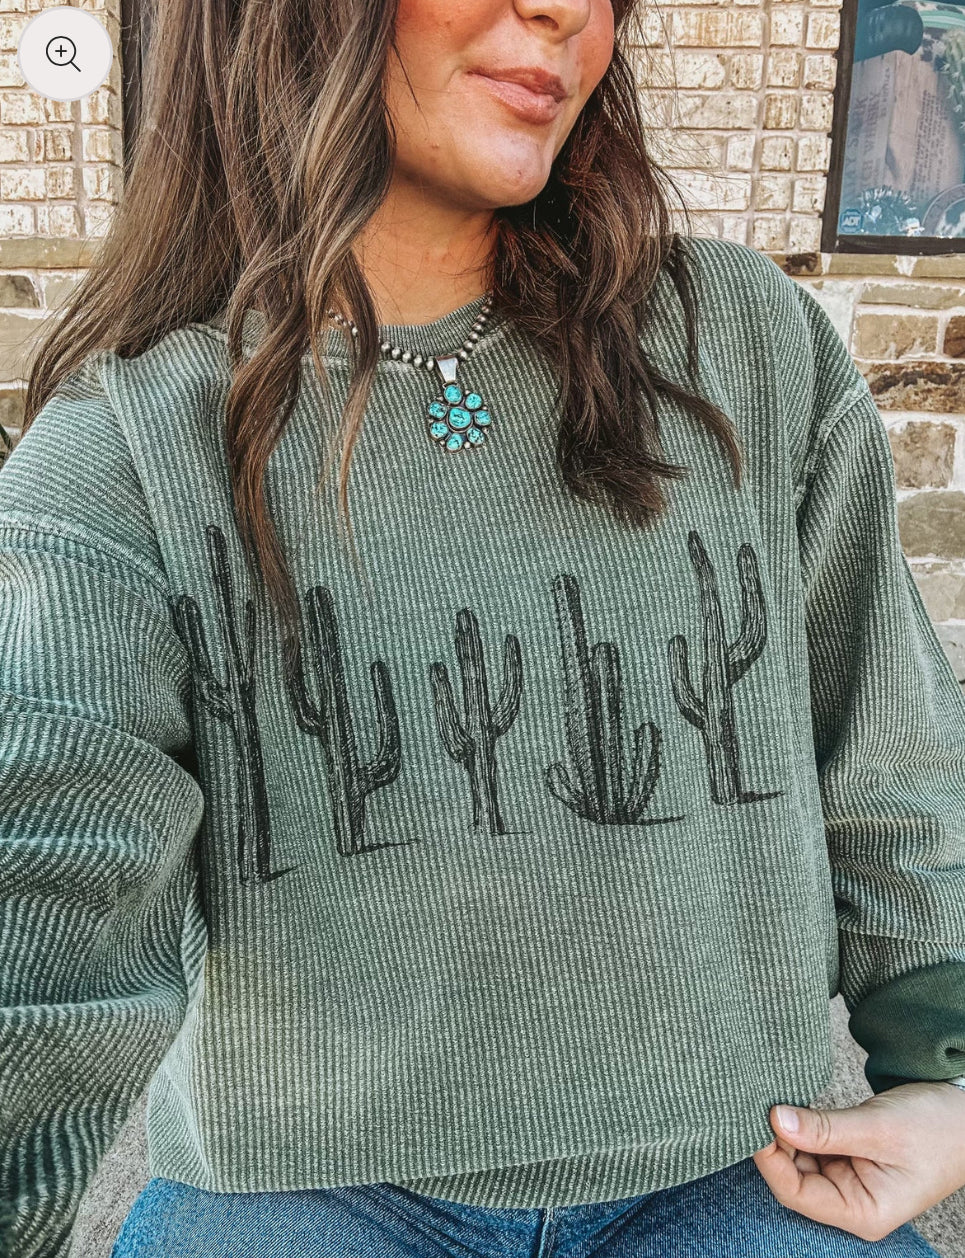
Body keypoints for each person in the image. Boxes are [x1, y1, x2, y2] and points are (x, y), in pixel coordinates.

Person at [1, 0, 964, 1254]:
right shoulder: (132, 447)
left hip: (739, 1163)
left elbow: (890, 750)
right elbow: (42, 875)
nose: (566, 12)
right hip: (303, 1186)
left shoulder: (738, 343)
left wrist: (946, 1068)